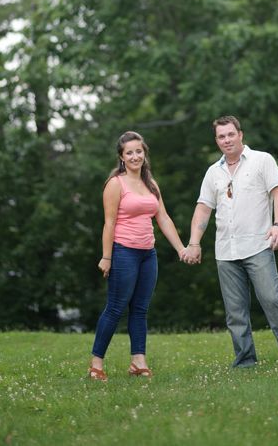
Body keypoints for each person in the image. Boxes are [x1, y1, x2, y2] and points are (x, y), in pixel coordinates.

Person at [182, 116, 278, 369]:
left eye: (230, 134)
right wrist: (194, 242)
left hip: (258, 245)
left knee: (272, 299)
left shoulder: (262, 160)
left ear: (240, 134)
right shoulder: (213, 172)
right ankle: (245, 362)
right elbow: (202, 209)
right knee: (235, 312)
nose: (226, 140)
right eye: (221, 136)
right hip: (225, 250)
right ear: (216, 140)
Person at [87, 131, 188, 381]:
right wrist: (106, 257)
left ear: (145, 153)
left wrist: (181, 248)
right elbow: (109, 223)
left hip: (147, 254)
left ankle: (138, 362)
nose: (135, 156)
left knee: (140, 309)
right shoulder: (115, 184)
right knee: (115, 308)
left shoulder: (151, 184)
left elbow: (162, 218)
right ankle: (95, 365)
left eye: (138, 151)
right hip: (123, 252)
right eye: (129, 152)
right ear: (121, 157)